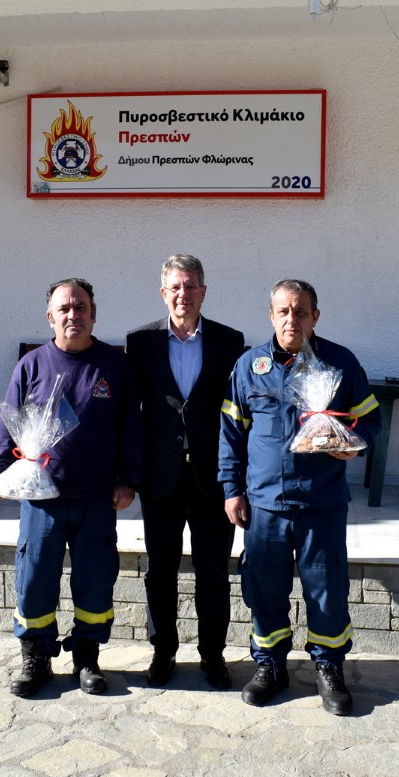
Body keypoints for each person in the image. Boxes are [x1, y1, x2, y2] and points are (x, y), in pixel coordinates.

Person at [218, 279, 380, 716]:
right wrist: (232, 490)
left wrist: (354, 443)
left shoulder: (340, 363)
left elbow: (370, 419)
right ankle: (270, 664)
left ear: (315, 316)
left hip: (320, 501)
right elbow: (231, 433)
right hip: (265, 503)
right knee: (264, 589)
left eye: (301, 311)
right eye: (284, 311)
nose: (292, 319)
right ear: (271, 315)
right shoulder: (249, 365)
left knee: (327, 590)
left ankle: (329, 666)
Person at [0, 278, 143, 698]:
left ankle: (87, 658)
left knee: (95, 580)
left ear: (94, 313)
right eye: (65, 308)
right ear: (50, 317)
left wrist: (129, 480)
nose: (73, 315)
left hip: (97, 499)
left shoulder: (115, 365)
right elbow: (7, 423)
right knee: (35, 578)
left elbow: (131, 425)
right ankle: (35, 657)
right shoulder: (32, 365)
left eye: (81, 307)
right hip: (41, 500)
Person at [126, 254, 245, 689]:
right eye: (175, 287)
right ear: (164, 293)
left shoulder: (230, 342)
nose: (183, 294)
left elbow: (236, 414)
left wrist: (238, 479)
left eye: (191, 285)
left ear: (203, 291)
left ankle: (213, 655)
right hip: (161, 478)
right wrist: (128, 474)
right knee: (160, 571)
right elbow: (132, 413)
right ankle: (163, 652)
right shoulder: (140, 342)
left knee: (213, 573)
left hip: (212, 478)